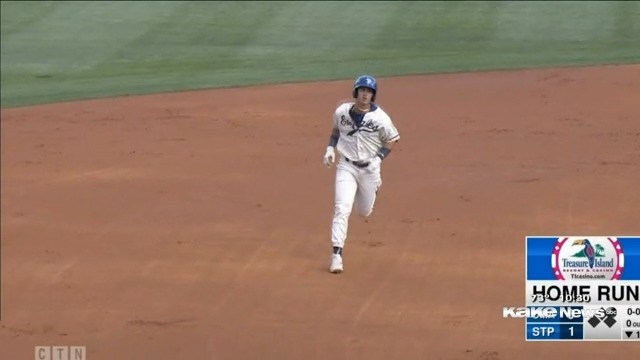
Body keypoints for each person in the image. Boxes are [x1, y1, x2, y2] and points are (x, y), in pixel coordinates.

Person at [322, 74, 401, 274]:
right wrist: (330, 149)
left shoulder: (381, 118)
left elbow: (392, 139)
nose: (365, 94)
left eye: (369, 91)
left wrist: (379, 158)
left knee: (364, 211)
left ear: (373, 95)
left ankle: (374, 188)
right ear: (355, 92)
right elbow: (336, 130)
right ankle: (336, 254)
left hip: (370, 170)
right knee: (342, 207)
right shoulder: (342, 112)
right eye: (362, 90)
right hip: (346, 166)